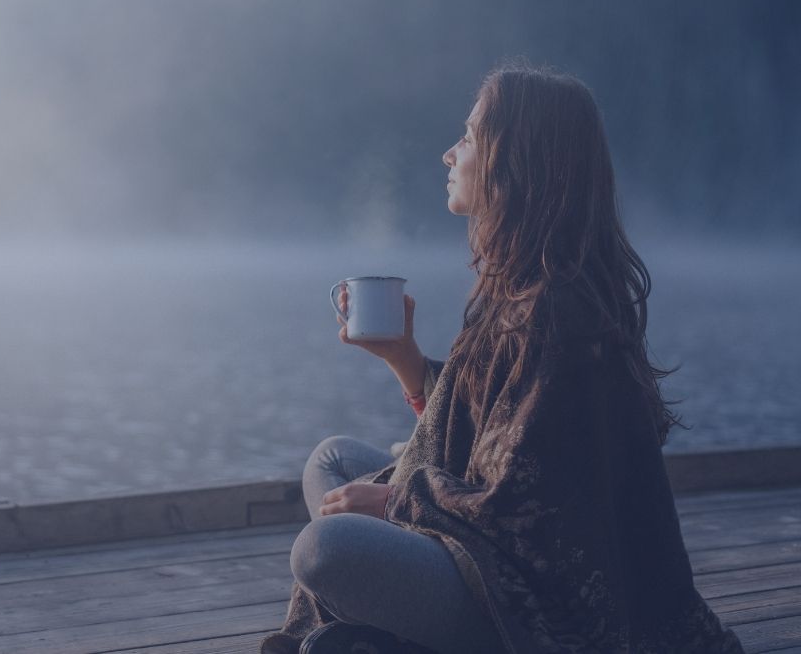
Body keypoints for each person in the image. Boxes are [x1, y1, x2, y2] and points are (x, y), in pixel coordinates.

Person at [260, 63, 746, 653]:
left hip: (538, 600)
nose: (449, 153)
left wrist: (398, 502)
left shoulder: (562, 315)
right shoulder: (522, 287)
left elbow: (529, 507)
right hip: (480, 545)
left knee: (324, 549)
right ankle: (383, 633)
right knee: (332, 461)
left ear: (514, 161)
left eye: (467, 137)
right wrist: (403, 357)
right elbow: (487, 434)